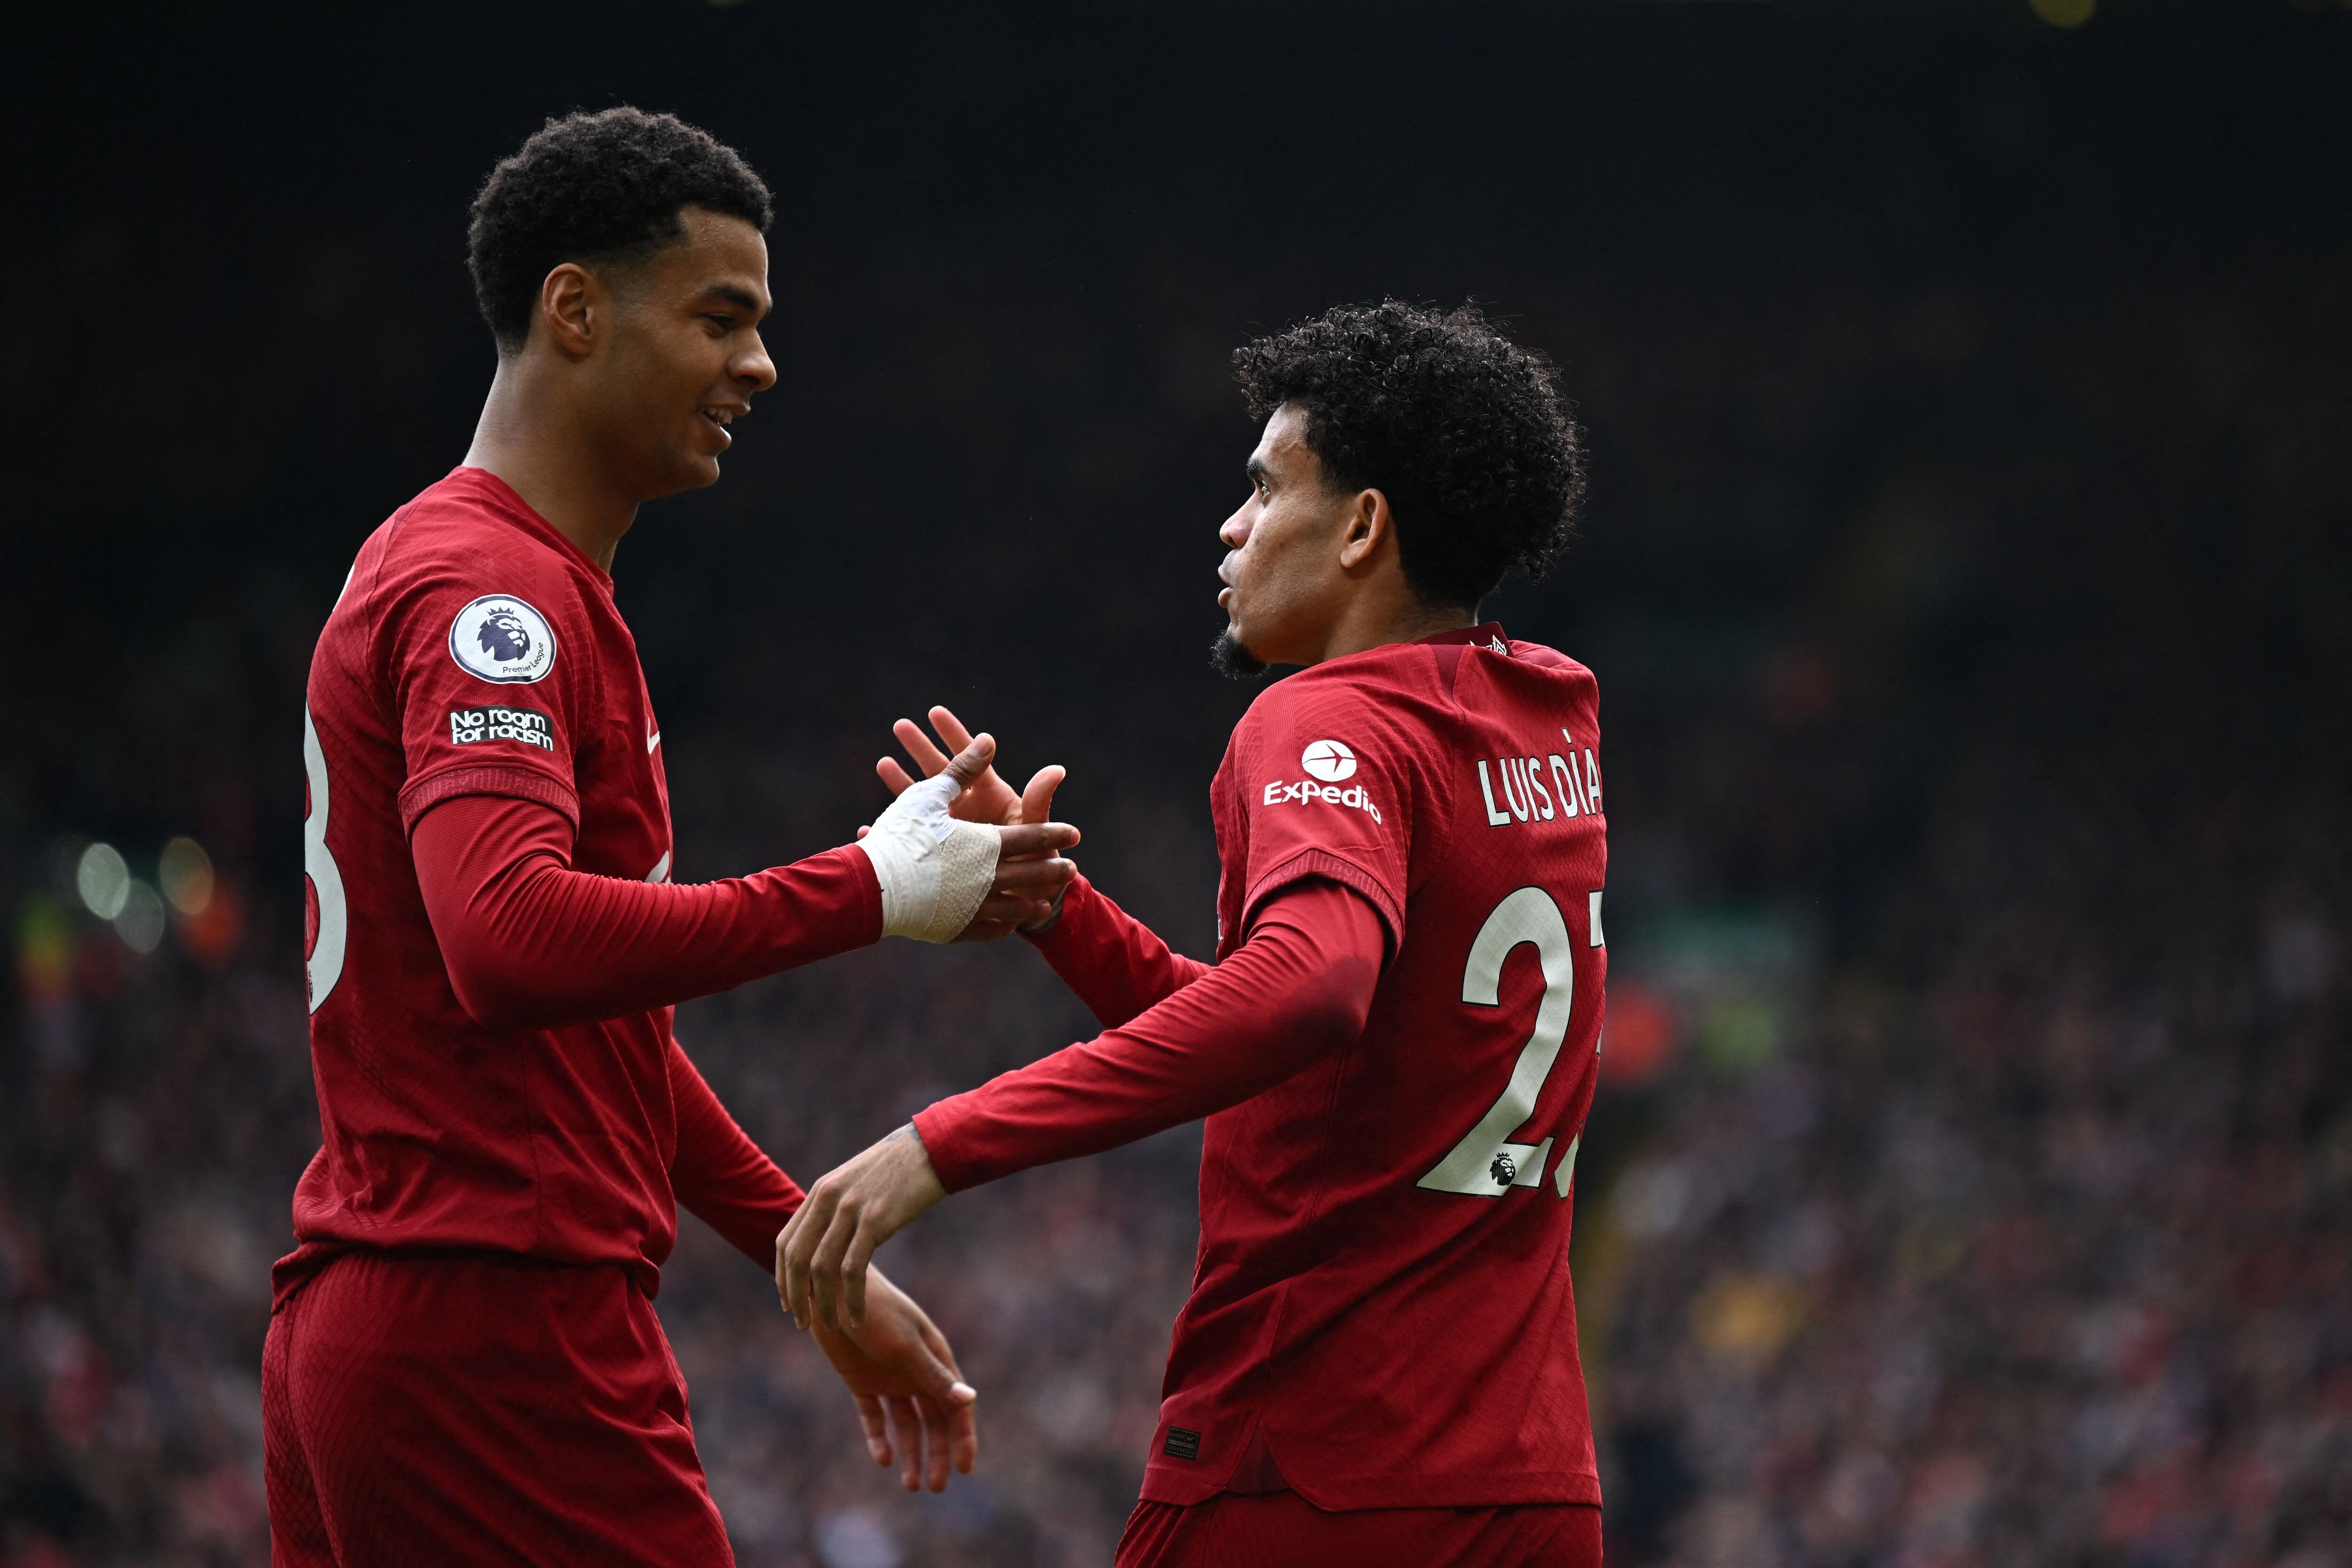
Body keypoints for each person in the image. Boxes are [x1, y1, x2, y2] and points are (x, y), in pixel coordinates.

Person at [264, 107, 1078, 1566]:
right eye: (721, 318)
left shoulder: (517, 583)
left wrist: (797, 1250)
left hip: (403, 1311)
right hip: (494, 1329)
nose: (758, 365)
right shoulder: (487, 596)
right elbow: (507, 942)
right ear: (574, 309)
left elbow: (592, 1032)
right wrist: (870, 886)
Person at [780, 301, 1608, 1567]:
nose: (1231, 529)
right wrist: (1066, 915)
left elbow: (1307, 992)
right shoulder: (1541, 715)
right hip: (1529, 1488)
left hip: (1312, 1468)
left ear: (1363, 528)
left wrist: (936, 1144)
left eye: (1265, 488)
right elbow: (1303, 1055)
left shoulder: (1324, 721)